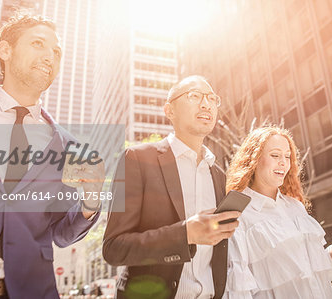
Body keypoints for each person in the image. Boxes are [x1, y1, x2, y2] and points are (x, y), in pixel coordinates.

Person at [0, 14, 104, 298]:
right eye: (38, 43)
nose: (50, 56)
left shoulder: (68, 146)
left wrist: (91, 199)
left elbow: (61, 234)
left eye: (56, 51)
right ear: (5, 50)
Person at [103, 75, 240, 298]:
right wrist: (184, 234)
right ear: (170, 111)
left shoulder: (219, 175)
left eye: (212, 98)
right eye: (194, 96)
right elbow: (113, 249)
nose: (206, 104)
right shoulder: (137, 159)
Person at [224, 126, 332, 298]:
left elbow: (316, 269)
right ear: (253, 159)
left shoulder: (295, 207)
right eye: (275, 155)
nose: (283, 162)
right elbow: (236, 288)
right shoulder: (238, 212)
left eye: (287, 156)